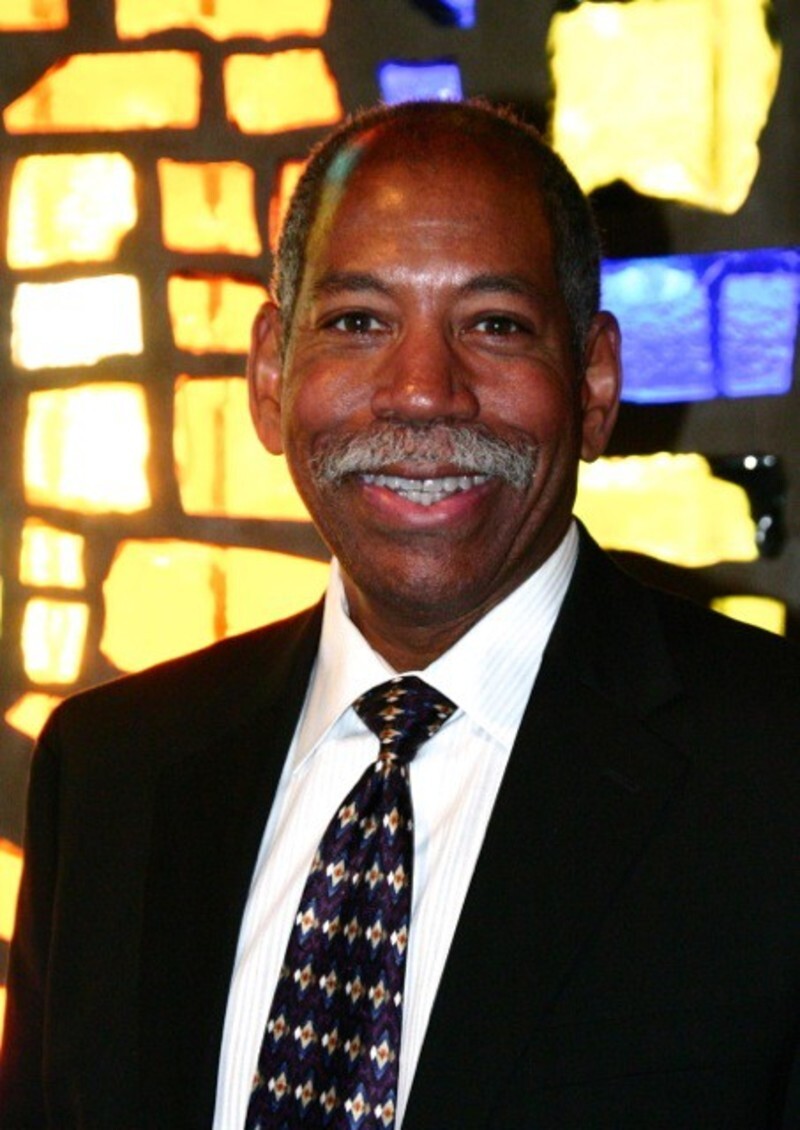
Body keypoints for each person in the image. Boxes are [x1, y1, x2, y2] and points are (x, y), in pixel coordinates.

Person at [1, 99, 799, 1130]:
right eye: (358, 322)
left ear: (594, 382)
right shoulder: (109, 771)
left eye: (494, 324)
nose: (423, 391)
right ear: (270, 373)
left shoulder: (773, 773)